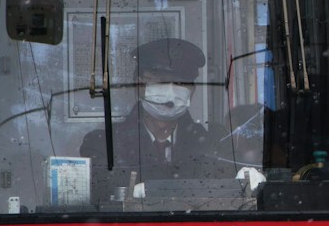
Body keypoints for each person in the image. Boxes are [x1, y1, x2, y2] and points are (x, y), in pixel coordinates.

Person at [79, 36, 224, 200]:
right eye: (161, 81)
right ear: (138, 84)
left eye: (180, 83)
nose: (171, 90)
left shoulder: (209, 145)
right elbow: (97, 203)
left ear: (193, 90)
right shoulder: (104, 145)